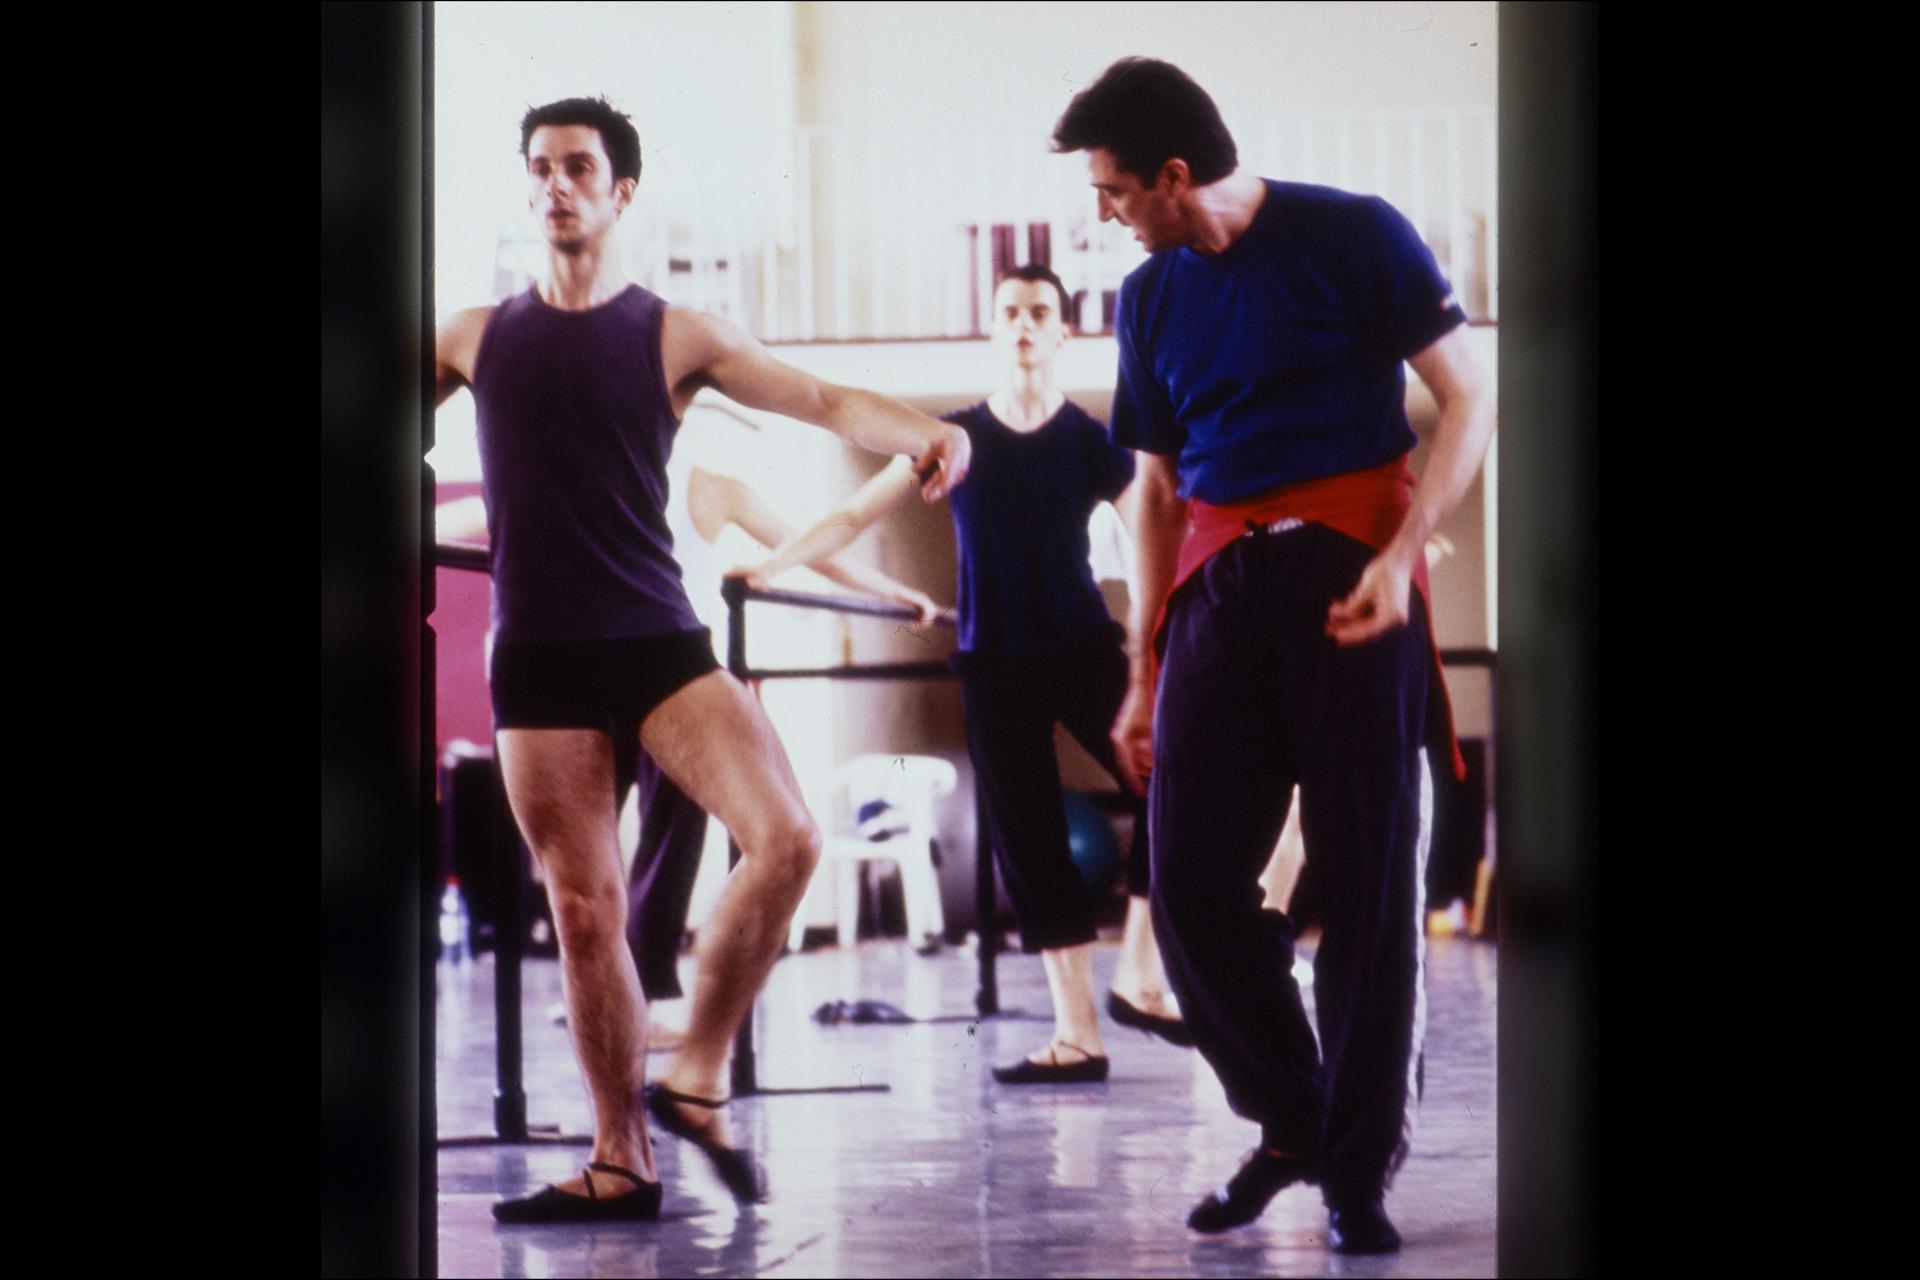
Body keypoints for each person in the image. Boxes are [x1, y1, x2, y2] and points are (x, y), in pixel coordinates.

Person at [433, 96, 970, 1223]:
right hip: (536, 655)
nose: (556, 185)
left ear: (621, 190)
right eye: (539, 168)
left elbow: (823, 399)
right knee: (584, 909)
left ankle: (699, 1072)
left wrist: (926, 429)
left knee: (787, 836)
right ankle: (619, 1155)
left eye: (579, 166)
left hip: (655, 640)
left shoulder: (677, 332)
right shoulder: (472, 335)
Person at [1052, 59, 1493, 1253]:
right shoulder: (1149, 298)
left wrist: (1401, 558)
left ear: (1174, 174)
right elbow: (1150, 486)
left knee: (1362, 884)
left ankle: (1355, 1169)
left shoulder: (1354, 236)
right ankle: (1294, 1118)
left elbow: (1469, 392)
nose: (1104, 213)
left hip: (1352, 575)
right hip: (1216, 592)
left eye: (1112, 190)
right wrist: (1145, 665)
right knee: (1187, 883)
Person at [736, 264, 1192, 1086]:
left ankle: (1139, 970)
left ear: (1061, 333)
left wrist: (1158, 647)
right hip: (995, 664)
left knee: (1180, 784)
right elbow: (849, 515)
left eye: (1039, 312)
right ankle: (1076, 1035)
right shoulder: (950, 438)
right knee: (1031, 843)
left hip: (1086, 650)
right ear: (993, 329)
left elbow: (1160, 527)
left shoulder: (1091, 440)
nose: (1024, 323)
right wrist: (772, 566)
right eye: (1010, 311)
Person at [437, 420, 939, 1054]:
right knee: (607, 847)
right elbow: (473, 513)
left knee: (660, 837)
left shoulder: (708, 486)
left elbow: (814, 543)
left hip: (669, 683)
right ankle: (621, 989)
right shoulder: (621, 479)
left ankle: (634, 991)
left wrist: (893, 592)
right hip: (634, 678)